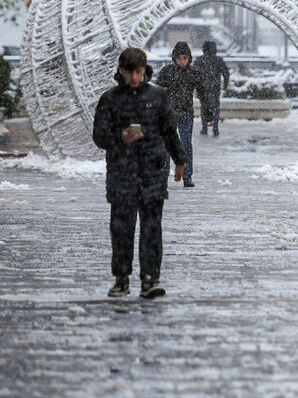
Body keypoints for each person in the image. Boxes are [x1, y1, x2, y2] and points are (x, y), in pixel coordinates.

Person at [92, 47, 186, 299]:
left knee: (152, 227)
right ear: (120, 71)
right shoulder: (109, 99)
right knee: (122, 228)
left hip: (151, 171)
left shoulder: (158, 96)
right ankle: (121, 277)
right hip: (121, 173)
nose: (134, 78)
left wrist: (180, 160)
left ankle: (150, 278)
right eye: (129, 73)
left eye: (139, 72)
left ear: (145, 71)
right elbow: (99, 136)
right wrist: (120, 137)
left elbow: (169, 130)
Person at [157, 41, 200, 188]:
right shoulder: (167, 72)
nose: (182, 61)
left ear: (189, 58)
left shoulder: (193, 73)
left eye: (185, 58)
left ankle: (187, 176)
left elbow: (203, 93)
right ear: (174, 58)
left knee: (186, 144)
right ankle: (162, 177)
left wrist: (208, 112)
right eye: (179, 58)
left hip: (186, 113)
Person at [194, 40, 230, 138]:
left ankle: (204, 128)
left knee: (204, 107)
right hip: (215, 87)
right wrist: (225, 84)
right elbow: (226, 73)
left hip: (202, 87)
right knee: (215, 107)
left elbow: (193, 74)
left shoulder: (199, 60)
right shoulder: (219, 60)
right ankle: (215, 128)